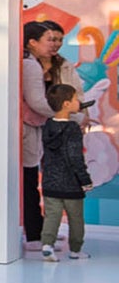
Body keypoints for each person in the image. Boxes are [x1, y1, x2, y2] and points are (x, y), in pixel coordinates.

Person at [40, 84, 94, 262]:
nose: (79, 102)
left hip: (50, 181)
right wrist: (85, 180)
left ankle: (47, 245)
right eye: (75, 99)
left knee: (52, 216)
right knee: (76, 218)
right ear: (66, 104)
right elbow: (75, 157)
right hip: (71, 183)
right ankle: (75, 250)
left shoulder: (47, 126)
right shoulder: (72, 129)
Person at [22, 21, 58, 251]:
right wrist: (65, 115)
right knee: (28, 181)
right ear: (32, 42)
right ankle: (34, 233)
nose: (54, 44)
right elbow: (36, 101)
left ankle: (38, 230)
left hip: (31, 128)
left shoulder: (32, 63)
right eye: (49, 39)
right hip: (28, 129)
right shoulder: (31, 65)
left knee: (30, 180)